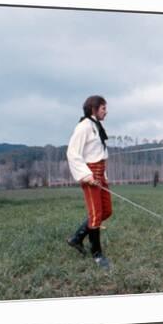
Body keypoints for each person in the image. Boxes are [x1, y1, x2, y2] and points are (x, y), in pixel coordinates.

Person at [66, 95, 113, 269]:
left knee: (106, 211)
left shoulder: (96, 126)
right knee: (95, 215)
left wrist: (103, 175)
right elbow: (72, 153)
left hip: (101, 175)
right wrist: (87, 176)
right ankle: (97, 255)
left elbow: (98, 155)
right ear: (93, 109)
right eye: (103, 108)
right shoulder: (83, 127)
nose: (106, 112)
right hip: (90, 176)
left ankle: (76, 238)